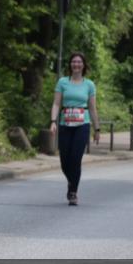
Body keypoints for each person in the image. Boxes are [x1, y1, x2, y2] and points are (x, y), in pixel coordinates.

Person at [49, 51, 100, 206]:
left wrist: (97, 129)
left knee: (76, 159)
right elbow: (57, 103)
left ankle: (73, 192)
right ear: (70, 64)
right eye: (73, 62)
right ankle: (72, 181)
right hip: (65, 124)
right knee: (65, 161)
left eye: (79, 62)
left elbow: (92, 108)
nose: (76, 64)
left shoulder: (89, 84)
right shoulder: (63, 82)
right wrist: (53, 121)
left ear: (83, 65)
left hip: (82, 125)